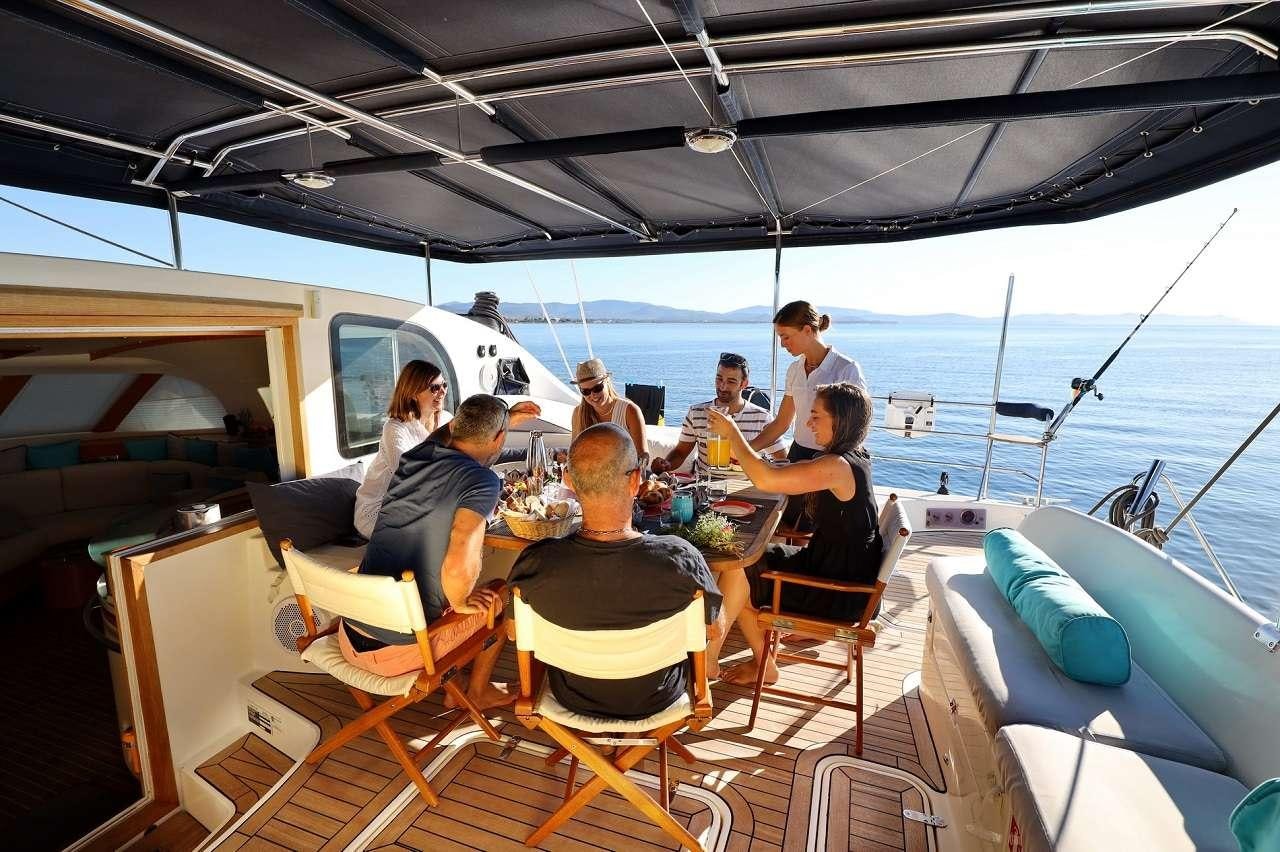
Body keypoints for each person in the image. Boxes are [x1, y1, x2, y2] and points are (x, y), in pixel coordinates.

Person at [508, 423, 725, 720]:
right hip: (658, 698)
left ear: (569, 481)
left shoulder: (535, 562)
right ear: (636, 481)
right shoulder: (681, 558)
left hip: (572, 696)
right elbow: (715, 629)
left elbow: (513, 632)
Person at [340, 394, 537, 711]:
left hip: (348, 636)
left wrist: (501, 420)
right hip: (398, 653)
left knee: (451, 594)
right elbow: (459, 561)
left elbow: (444, 434)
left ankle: (457, 682)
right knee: (499, 595)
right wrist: (460, 603)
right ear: (500, 438)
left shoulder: (416, 457)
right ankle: (475, 693)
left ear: (456, 424)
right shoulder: (482, 480)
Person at [705, 382, 882, 687]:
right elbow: (793, 471)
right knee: (746, 561)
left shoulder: (837, 466)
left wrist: (733, 433)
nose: (808, 422)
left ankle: (712, 657)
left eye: (816, 415)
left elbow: (765, 479)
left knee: (741, 568)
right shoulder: (854, 457)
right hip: (840, 570)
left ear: (839, 420)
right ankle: (748, 661)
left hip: (838, 590)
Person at [750, 301, 868, 528]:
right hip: (799, 452)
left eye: (786, 336)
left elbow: (858, 427)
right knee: (784, 522)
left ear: (807, 330)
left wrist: (827, 461)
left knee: (814, 529)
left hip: (830, 460)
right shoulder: (795, 370)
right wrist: (746, 449)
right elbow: (782, 422)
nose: (782, 344)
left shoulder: (846, 369)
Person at [353, 360, 453, 538]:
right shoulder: (395, 429)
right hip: (380, 510)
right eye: (434, 388)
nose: (443, 391)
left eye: (444, 385)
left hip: (420, 503)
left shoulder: (446, 420)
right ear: (413, 393)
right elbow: (408, 477)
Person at [652, 352, 786, 474]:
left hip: (746, 491)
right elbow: (680, 452)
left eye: (731, 381)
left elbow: (782, 460)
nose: (722, 386)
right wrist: (667, 464)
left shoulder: (762, 418)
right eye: (719, 379)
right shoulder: (696, 413)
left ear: (744, 384)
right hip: (706, 490)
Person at [570, 357, 647, 461]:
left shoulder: (630, 411)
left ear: (607, 382)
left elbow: (643, 456)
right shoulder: (578, 413)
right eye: (586, 392)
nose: (593, 395)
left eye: (597, 388)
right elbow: (574, 454)